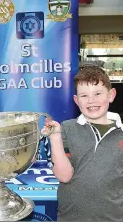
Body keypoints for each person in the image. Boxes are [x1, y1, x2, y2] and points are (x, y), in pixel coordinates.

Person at [42, 66, 123, 221]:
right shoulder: (66, 128)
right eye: (84, 95)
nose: (91, 101)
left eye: (98, 93)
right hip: (71, 217)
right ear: (76, 100)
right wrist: (55, 137)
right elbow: (64, 176)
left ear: (111, 95)